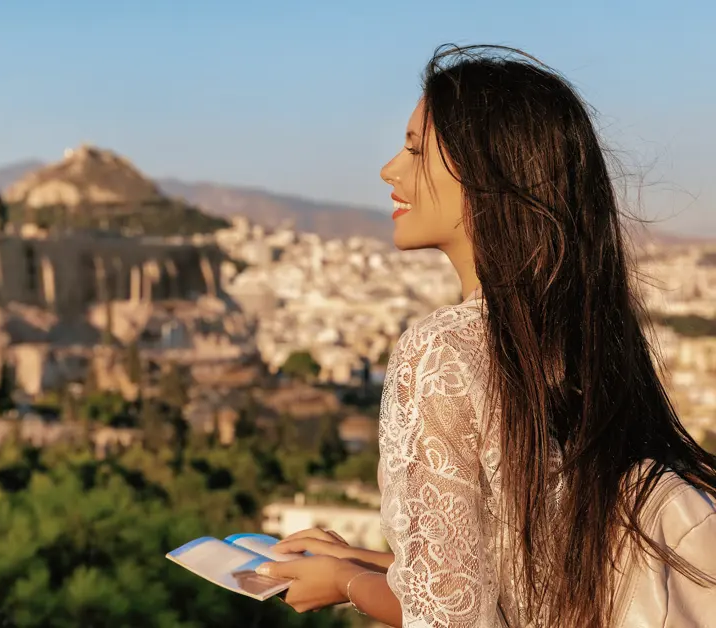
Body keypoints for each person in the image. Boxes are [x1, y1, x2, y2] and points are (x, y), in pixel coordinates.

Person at [254, 45, 716, 627]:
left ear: (487, 171)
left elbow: (452, 619)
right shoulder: (587, 333)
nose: (390, 169)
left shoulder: (443, 351)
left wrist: (346, 584)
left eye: (416, 148)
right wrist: (364, 561)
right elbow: (522, 564)